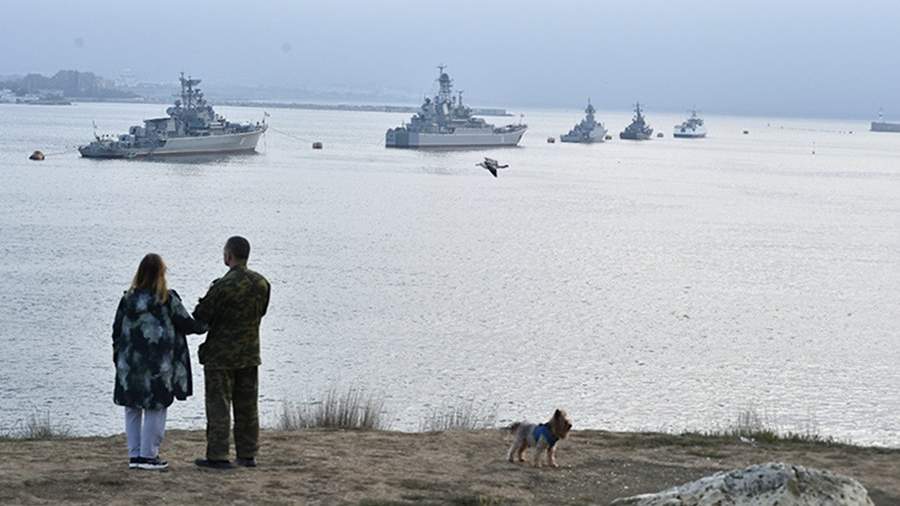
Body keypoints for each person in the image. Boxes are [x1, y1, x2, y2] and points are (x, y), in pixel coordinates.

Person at [112, 253, 206, 471]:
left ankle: (134, 455)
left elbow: (116, 331)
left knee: (132, 408)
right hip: (158, 367)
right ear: (161, 274)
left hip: (129, 365)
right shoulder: (167, 300)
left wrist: (119, 357)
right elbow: (189, 325)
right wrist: (207, 318)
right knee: (156, 408)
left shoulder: (127, 299)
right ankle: (148, 455)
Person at [192, 236, 270, 469]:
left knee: (219, 406)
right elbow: (261, 312)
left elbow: (201, 317)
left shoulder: (222, 286)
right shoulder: (262, 284)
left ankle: (218, 455)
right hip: (249, 353)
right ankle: (247, 454)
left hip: (221, 356)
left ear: (229, 256)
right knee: (248, 407)